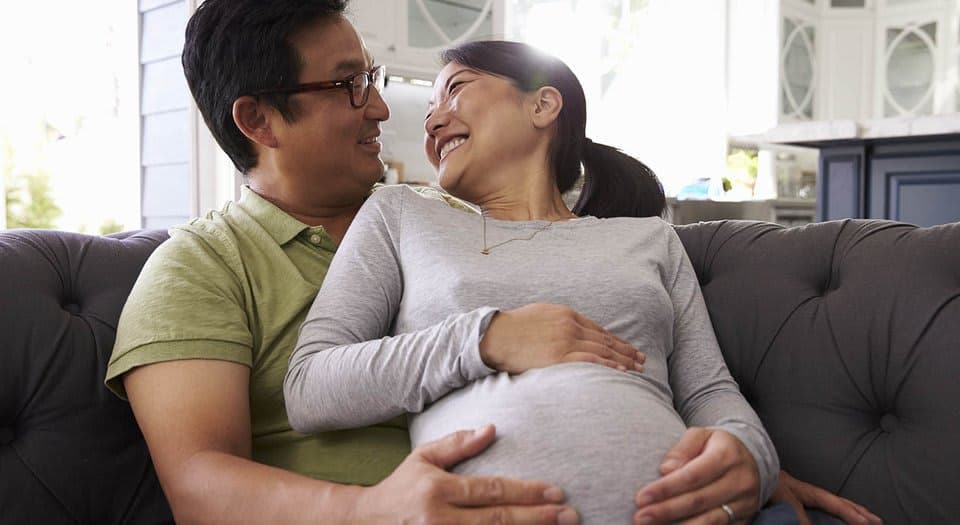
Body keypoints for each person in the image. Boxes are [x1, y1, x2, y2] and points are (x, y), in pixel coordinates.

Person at [105, 0, 880, 522]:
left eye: (371, 78)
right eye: (350, 86)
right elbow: (199, 482)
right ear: (258, 120)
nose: (384, 108)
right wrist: (374, 509)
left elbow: (675, 382)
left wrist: (751, 457)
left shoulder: (478, 220)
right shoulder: (202, 266)